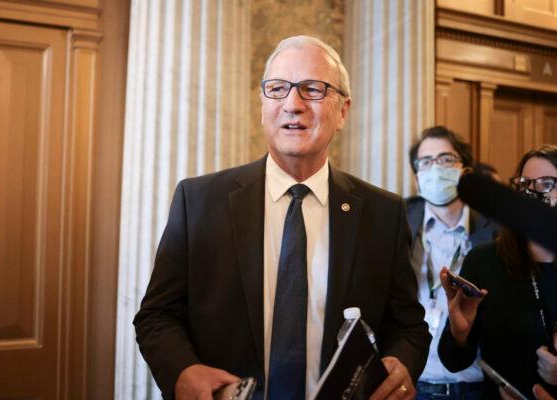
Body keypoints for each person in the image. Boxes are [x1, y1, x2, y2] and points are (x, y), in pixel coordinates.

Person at [134, 35, 431, 400]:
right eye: (277, 89)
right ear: (262, 106)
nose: (293, 104)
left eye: (313, 89)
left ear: (343, 112)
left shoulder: (383, 213)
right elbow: (156, 316)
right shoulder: (198, 202)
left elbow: (408, 327)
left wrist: (401, 362)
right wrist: (182, 372)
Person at [438, 145, 557, 399]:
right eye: (524, 185)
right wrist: (459, 332)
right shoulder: (484, 260)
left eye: (546, 184)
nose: (531, 194)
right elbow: (454, 362)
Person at [406, 126, 499, 399]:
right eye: (426, 162)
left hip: (477, 386)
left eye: (446, 159)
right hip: (412, 385)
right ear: (417, 177)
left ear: (466, 171)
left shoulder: (496, 230)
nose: (435, 169)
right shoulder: (398, 223)